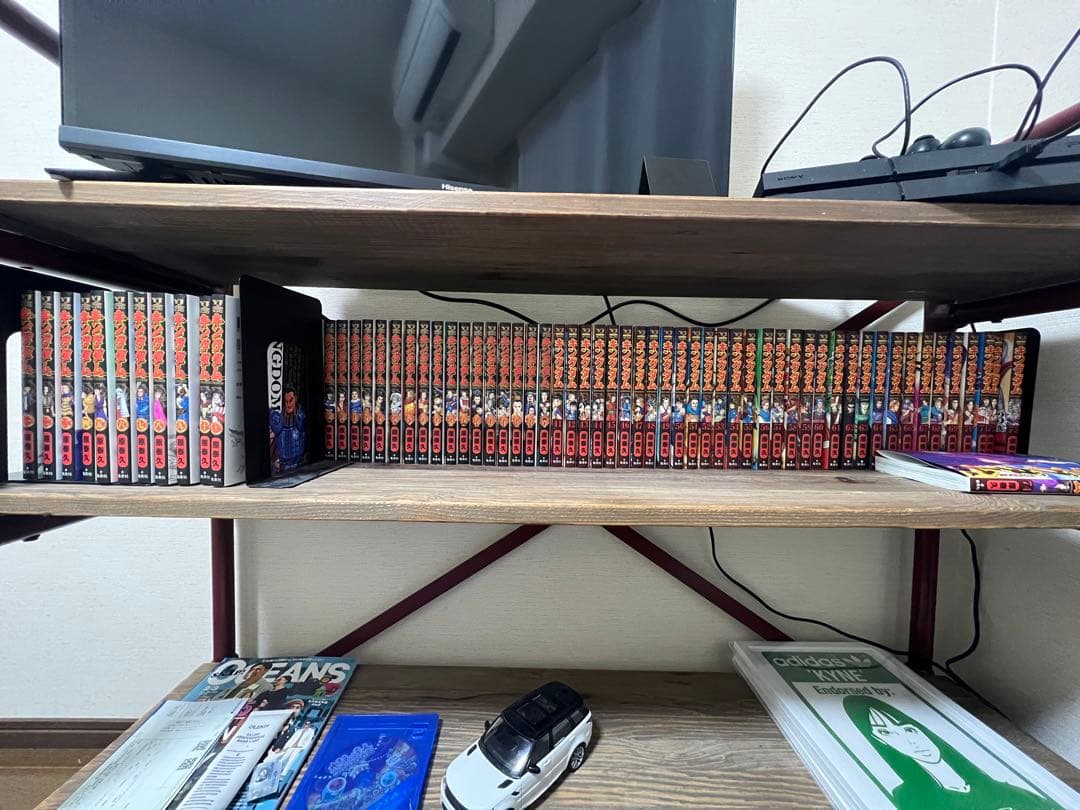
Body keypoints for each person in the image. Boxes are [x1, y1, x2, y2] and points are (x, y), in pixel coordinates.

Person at [844, 695, 1059, 809]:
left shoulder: (1002, 786)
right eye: (887, 733)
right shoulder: (907, 795)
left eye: (908, 729)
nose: (909, 741)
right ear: (881, 742)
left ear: (922, 729)